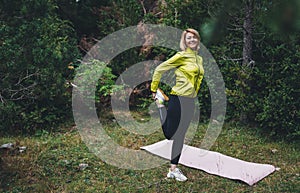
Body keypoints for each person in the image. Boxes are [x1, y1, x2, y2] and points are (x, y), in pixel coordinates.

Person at [151, 28, 204, 181]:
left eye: (194, 37)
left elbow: (198, 80)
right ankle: (160, 104)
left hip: (190, 101)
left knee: (180, 135)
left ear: (197, 40)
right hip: (177, 98)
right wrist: (154, 89)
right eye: (189, 38)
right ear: (185, 41)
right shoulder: (181, 56)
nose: (192, 40)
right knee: (169, 135)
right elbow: (159, 69)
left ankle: (173, 169)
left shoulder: (199, 59)